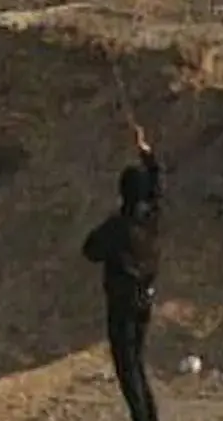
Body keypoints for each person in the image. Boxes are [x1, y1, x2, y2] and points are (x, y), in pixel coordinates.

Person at [80, 123, 163, 421]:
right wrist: (146, 153)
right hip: (146, 299)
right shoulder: (151, 217)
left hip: (124, 305)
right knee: (137, 364)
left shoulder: (119, 227)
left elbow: (90, 250)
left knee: (128, 369)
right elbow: (156, 185)